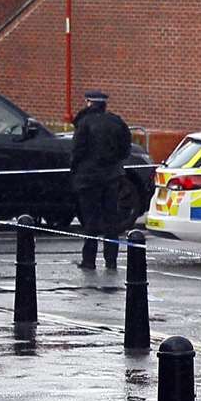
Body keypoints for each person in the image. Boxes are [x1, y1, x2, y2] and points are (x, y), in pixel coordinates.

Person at [71, 89, 133, 271]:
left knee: (90, 220)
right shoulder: (116, 122)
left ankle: (89, 260)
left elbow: (77, 151)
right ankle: (111, 260)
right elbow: (125, 149)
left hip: (89, 178)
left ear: (89, 103)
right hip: (112, 177)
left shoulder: (84, 123)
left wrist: (75, 171)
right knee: (111, 220)